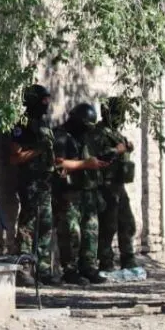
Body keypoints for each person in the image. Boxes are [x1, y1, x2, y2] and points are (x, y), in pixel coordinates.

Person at [9, 85, 63, 287]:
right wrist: (38, 151)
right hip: (30, 182)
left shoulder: (43, 124)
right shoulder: (21, 125)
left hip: (45, 182)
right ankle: (24, 270)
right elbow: (15, 158)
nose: (46, 105)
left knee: (46, 226)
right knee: (28, 226)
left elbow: (49, 153)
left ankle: (43, 271)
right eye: (43, 101)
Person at [54, 103, 111, 285]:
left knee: (91, 231)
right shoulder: (61, 136)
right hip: (69, 194)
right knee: (72, 233)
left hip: (88, 191)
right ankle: (70, 270)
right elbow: (58, 163)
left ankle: (89, 268)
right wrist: (86, 164)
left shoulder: (86, 137)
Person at [95, 97, 138, 272]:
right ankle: (106, 261)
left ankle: (128, 259)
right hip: (106, 185)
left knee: (127, 223)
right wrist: (116, 150)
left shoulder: (115, 133)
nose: (121, 117)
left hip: (119, 185)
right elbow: (95, 155)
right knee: (108, 225)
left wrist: (127, 147)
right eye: (118, 113)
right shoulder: (98, 133)